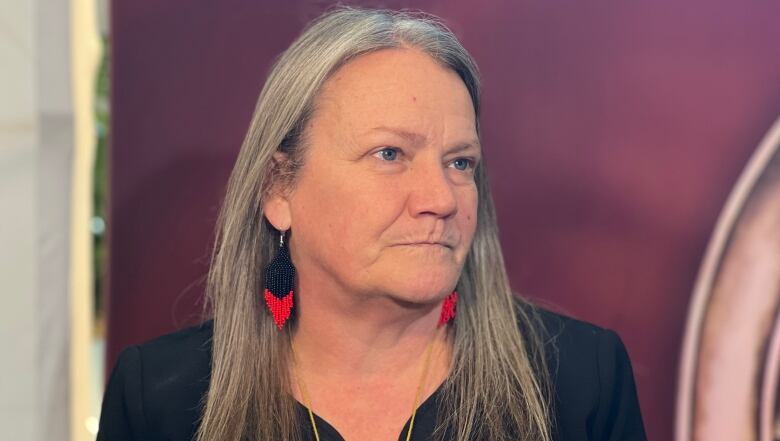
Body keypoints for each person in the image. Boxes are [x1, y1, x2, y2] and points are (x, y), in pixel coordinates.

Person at [97, 7, 647, 441]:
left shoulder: (578, 381)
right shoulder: (164, 398)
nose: (440, 198)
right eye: (390, 154)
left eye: (461, 162)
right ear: (278, 189)